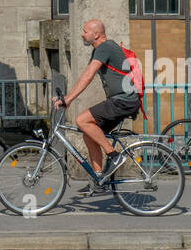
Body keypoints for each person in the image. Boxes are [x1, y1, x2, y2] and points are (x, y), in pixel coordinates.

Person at [53, 18, 139, 190]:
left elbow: (89, 75)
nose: (82, 34)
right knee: (88, 132)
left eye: (85, 31)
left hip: (123, 100)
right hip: (120, 100)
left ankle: (114, 155)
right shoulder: (100, 50)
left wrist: (68, 99)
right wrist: (68, 97)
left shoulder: (105, 47)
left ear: (96, 34)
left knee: (82, 120)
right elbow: (86, 74)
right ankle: (99, 179)